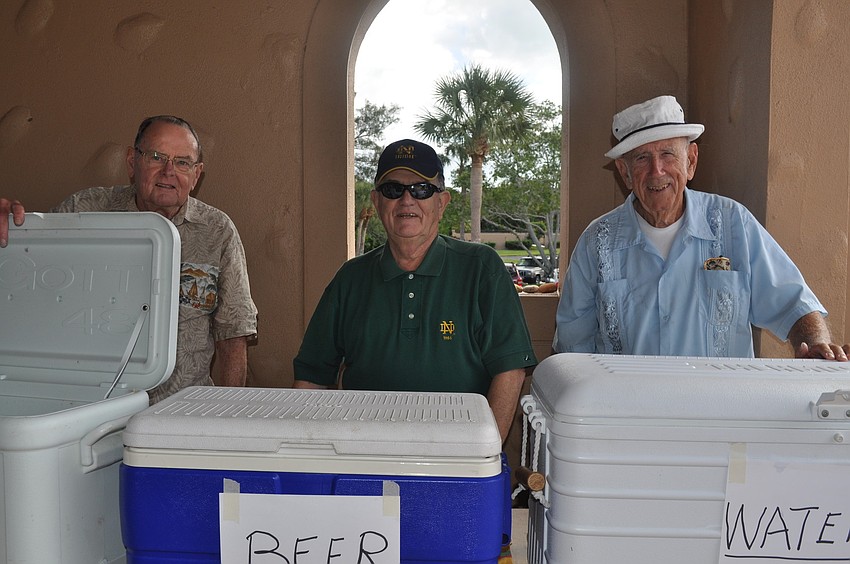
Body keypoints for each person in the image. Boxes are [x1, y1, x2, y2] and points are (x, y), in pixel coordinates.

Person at [553, 95, 848, 361]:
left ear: (691, 160)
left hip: (720, 416)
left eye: (668, 154)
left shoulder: (734, 224)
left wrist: (815, 345)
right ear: (625, 173)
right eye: (642, 158)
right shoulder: (597, 243)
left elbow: (793, 304)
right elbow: (572, 349)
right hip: (629, 416)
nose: (657, 171)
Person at [292, 139, 537, 444]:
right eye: (393, 189)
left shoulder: (481, 268)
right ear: (377, 202)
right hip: (365, 453)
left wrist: (482, 455)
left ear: (442, 202)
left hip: (458, 454)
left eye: (422, 189)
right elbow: (313, 376)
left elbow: (510, 371)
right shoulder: (350, 278)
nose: (407, 200)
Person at [0, 115, 258, 402]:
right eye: (156, 157)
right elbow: (24, 285)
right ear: (132, 163)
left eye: (182, 162)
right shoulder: (84, 210)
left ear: (196, 175)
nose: (169, 171)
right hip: (91, 410)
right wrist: (10, 231)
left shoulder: (217, 230)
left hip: (181, 411)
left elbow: (233, 334)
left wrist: (226, 416)